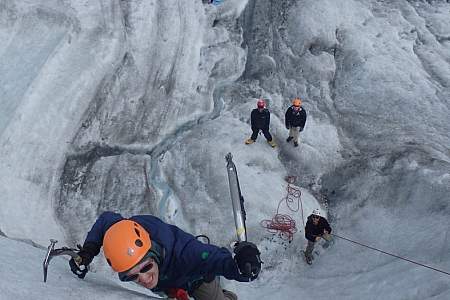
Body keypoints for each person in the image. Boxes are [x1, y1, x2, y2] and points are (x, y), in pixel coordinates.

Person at [69, 211, 261, 300]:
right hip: (169, 282)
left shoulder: (187, 253)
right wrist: (88, 251)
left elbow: (214, 258)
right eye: (132, 276)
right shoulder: (124, 232)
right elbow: (106, 220)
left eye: (145, 268)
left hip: (196, 279)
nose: (143, 279)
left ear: (154, 252)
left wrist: (242, 266)